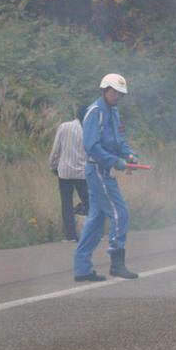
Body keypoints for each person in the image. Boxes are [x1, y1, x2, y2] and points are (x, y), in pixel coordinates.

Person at [73, 73, 141, 282]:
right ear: (105, 90)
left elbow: (119, 140)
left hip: (104, 170)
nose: (117, 96)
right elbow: (91, 146)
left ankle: (82, 268)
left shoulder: (114, 111)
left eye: (120, 94)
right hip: (98, 171)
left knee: (95, 220)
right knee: (120, 213)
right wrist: (114, 161)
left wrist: (128, 154)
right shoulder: (95, 112)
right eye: (114, 92)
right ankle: (116, 263)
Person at [49, 105, 89, 241]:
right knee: (88, 201)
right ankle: (91, 231)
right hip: (83, 173)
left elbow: (56, 150)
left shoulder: (64, 127)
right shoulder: (89, 131)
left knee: (66, 202)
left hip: (64, 172)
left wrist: (53, 166)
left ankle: (70, 235)